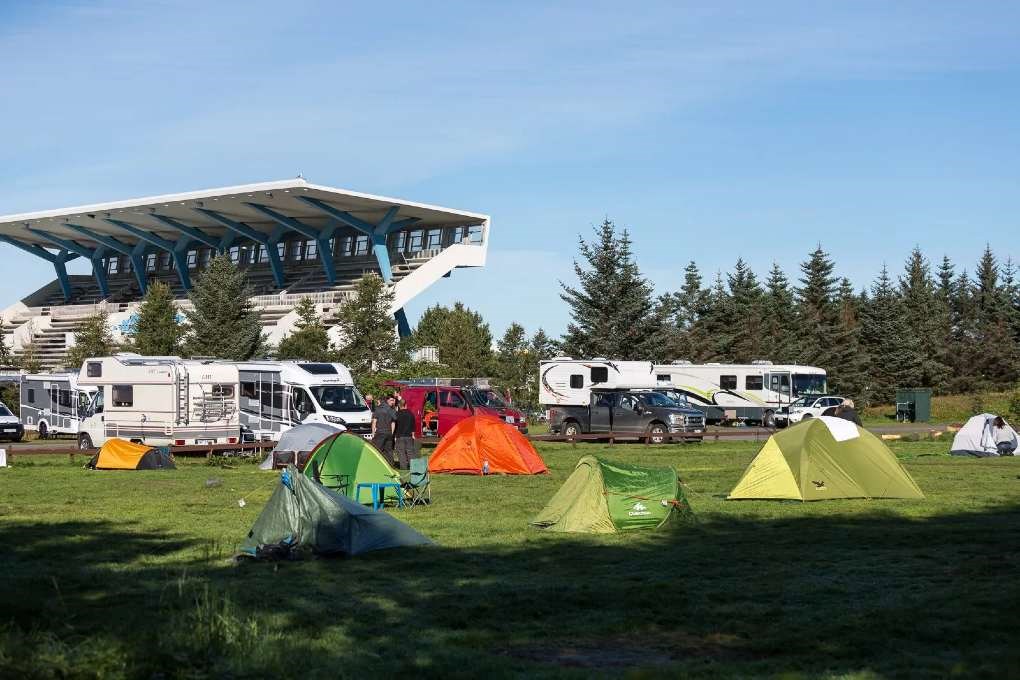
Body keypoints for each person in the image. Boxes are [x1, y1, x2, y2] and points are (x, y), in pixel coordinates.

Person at [393, 397, 418, 470]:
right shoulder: (411, 414)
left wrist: (394, 435)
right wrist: (413, 435)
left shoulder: (396, 414)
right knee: (410, 452)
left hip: (399, 436)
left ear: (399, 405)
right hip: (409, 435)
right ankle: (413, 467)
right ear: (405, 405)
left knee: (401, 452)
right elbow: (413, 425)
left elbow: (395, 425)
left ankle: (403, 467)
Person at [371, 395, 397, 465]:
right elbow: (393, 422)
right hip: (389, 433)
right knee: (389, 450)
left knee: (377, 449)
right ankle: (391, 465)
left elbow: (374, 422)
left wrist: (373, 433)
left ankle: (377, 464)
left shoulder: (378, 409)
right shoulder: (392, 410)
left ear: (380, 401)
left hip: (380, 432)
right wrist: (391, 433)